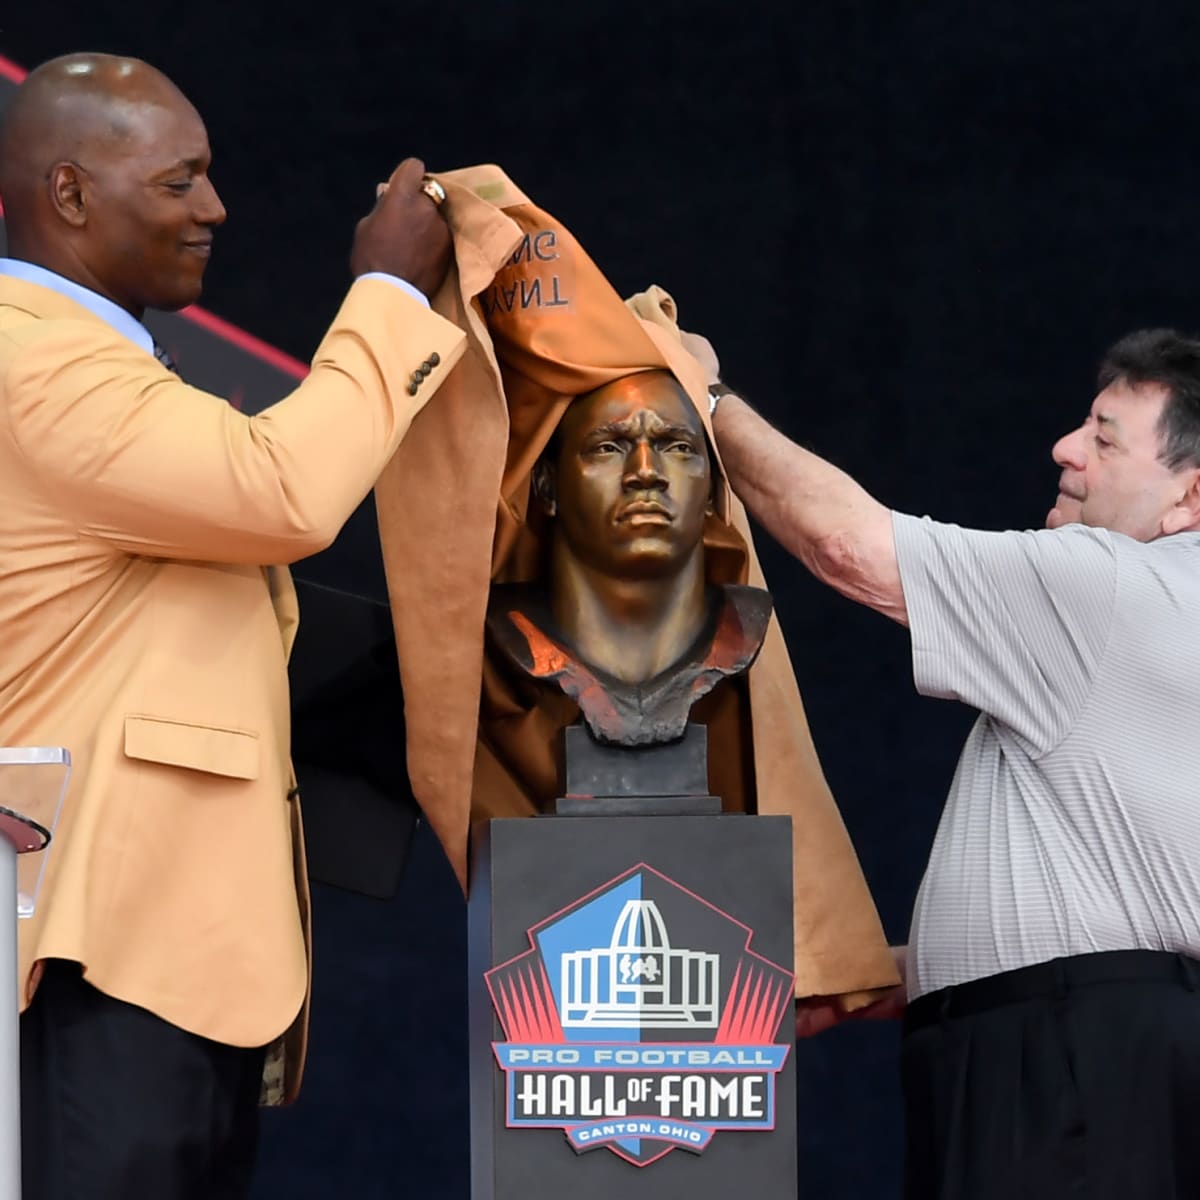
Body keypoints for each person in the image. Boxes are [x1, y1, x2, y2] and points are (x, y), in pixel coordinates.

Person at [0, 51, 463, 1200]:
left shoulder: (90, 360)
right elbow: (283, 494)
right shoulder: (31, 357)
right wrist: (391, 292)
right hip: (88, 956)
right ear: (67, 194)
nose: (215, 209)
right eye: (179, 182)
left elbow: (181, 610)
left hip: (156, 956)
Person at [698, 325, 1200, 1199]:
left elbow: (845, 544)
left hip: (1065, 1065)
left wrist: (703, 397)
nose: (1066, 449)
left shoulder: (1112, 588)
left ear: (1188, 500)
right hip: (1088, 1055)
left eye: (1104, 436)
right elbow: (1114, 898)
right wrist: (891, 972)